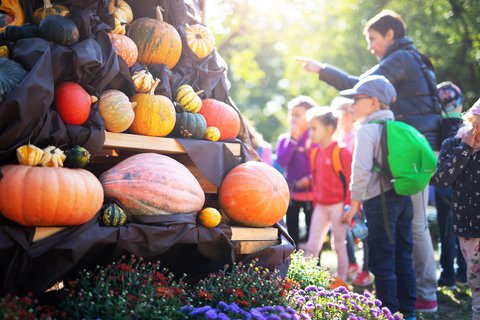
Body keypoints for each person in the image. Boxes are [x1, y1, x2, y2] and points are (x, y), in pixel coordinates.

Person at [297, 10, 438, 312]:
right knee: (407, 241)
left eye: (373, 39)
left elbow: (360, 171)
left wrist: (355, 202)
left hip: (389, 185)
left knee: (393, 250)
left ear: (390, 35)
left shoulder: (371, 126)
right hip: (407, 169)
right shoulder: (415, 66)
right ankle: (413, 305)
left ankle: (396, 305)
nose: (371, 47)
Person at [341, 75, 416, 319]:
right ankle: (408, 310)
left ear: (373, 102)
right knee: (403, 254)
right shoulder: (401, 128)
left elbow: (360, 171)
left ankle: (388, 312)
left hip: (379, 201)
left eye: (357, 100)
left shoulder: (367, 131)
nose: (353, 105)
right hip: (404, 198)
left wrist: (353, 204)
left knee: (382, 258)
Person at [433, 98, 480, 320]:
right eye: (476, 123)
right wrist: (465, 148)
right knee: (476, 278)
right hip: (468, 224)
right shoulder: (453, 144)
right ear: (469, 120)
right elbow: (442, 179)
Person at [304, 106, 352, 283]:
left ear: (329, 129)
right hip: (321, 206)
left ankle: (342, 281)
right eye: (310, 128)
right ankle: (308, 280)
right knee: (311, 245)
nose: (310, 132)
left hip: (338, 205)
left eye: (314, 128)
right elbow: (316, 178)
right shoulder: (315, 152)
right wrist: (316, 201)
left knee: (339, 245)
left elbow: (350, 181)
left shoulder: (341, 151)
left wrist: (348, 206)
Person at [331, 97, 372, 287]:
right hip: (343, 194)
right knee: (347, 229)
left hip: (358, 193)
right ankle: (353, 263)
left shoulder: (356, 136)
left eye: (337, 116)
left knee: (362, 232)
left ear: (347, 116)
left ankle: (366, 270)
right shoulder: (339, 138)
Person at [434, 81, 467, 288]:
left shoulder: (436, 126)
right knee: (464, 229)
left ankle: (447, 275)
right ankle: (463, 273)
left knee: (446, 230)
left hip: (444, 182)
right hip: (466, 185)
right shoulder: (467, 125)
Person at [276, 96, 315, 244]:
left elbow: (318, 164)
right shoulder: (284, 139)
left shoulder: (314, 138)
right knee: (292, 229)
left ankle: (314, 261)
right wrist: (292, 141)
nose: (293, 118)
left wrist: (310, 178)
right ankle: (293, 258)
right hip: (292, 193)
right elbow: (282, 161)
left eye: (297, 115)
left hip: (312, 193)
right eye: (291, 114)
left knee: (313, 229)